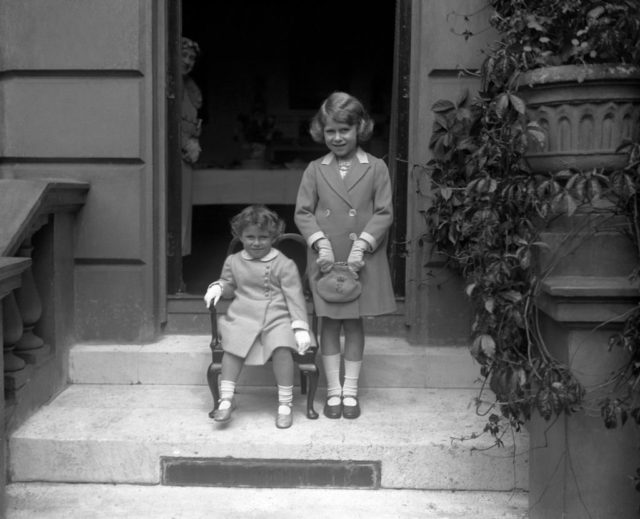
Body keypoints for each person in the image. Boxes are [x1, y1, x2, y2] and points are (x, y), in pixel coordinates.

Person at [294, 91, 396, 420]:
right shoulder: (314, 169)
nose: (337, 138)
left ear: (359, 129)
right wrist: (320, 242)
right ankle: (332, 392)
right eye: (330, 131)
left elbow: (384, 212)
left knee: (353, 323)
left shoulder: (376, 167)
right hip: (327, 258)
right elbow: (303, 212)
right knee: (327, 322)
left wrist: (362, 244)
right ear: (320, 132)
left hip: (359, 258)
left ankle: (350, 391)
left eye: (344, 130)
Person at [203, 205, 312, 429]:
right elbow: (230, 287)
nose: (256, 242)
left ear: (273, 237)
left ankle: (284, 404)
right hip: (243, 314)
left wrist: (300, 327)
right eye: (249, 237)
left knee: (282, 347)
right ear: (240, 236)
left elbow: (294, 297)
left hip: (277, 315)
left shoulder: (284, 263)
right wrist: (218, 287)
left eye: (263, 237)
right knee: (233, 346)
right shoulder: (233, 261)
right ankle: (226, 400)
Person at [180, 37, 203, 259]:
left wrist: (194, 139)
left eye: (192, 58)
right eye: (183, 55)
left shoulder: (190, 88)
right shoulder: (168, 85)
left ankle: (180, 266)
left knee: (183, 215)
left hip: (186, 158)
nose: (187, 61)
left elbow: (193, 123)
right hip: (172, 157)